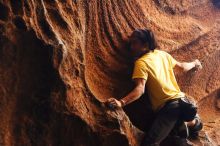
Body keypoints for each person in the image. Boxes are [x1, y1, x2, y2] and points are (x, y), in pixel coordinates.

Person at [105, 29, 203, 146]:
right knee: (175, 139)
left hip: (170, 107)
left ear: (145, 44)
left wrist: (121, 102)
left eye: (135, 43)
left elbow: (140, 89)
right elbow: (182, 67)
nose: (131, 47)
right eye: (131, 43)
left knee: (149, 143)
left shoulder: (141, 63)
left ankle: (188, 122)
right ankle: (191, 122)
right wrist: (194, 63)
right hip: (180, 102)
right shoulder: (162, 55)